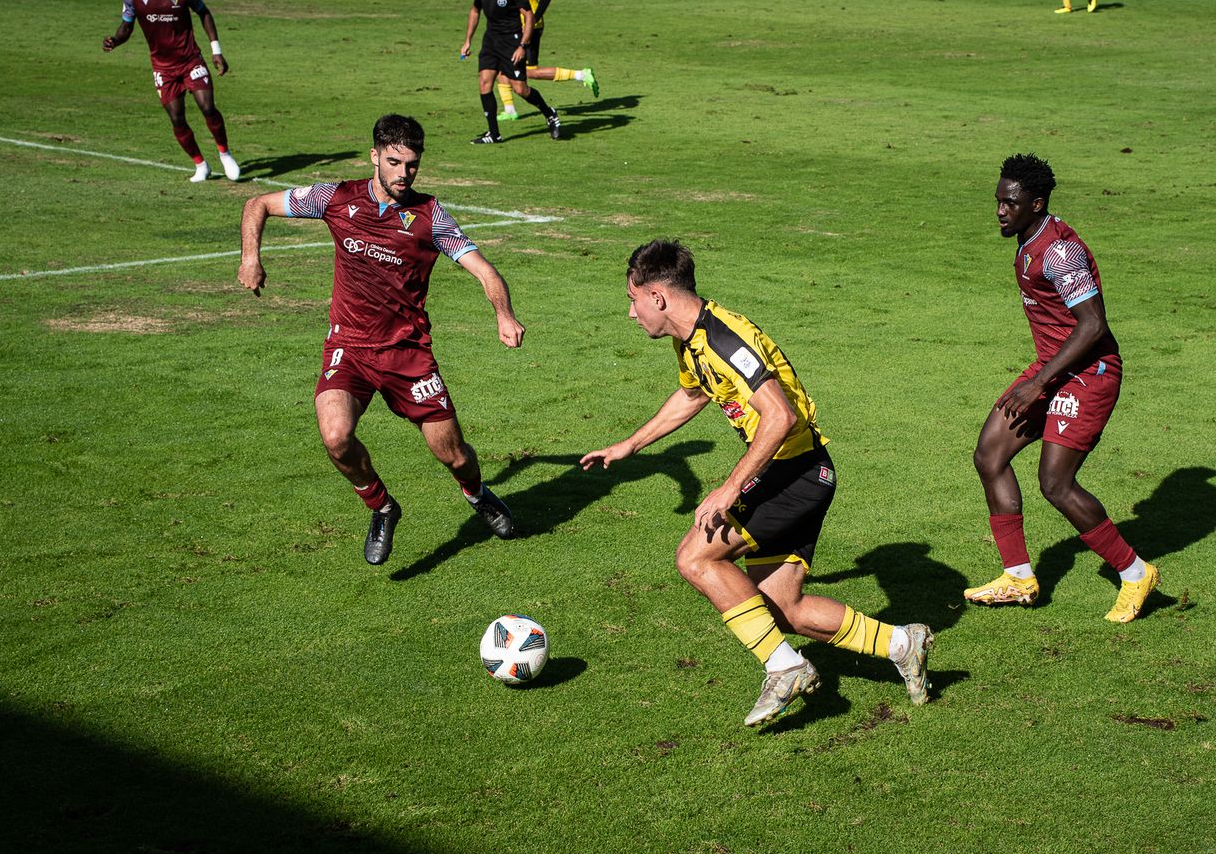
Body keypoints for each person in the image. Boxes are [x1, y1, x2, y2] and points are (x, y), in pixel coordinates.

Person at [581, 241, 934, 728]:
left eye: (633, 298)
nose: (630, 312)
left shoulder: (725, 337)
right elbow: (691, 395)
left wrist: (728, 489)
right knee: (783, 609)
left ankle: (784, 667)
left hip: (795, 473)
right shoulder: (692, 341)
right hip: (800, 470)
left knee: (695, 557)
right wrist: (630, 445)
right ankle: (902, 644)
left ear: (657, 296)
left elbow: (781, 415)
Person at [234, 114, 521, 566]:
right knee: (335, 437)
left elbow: (484, 270)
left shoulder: (430, 217)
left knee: (453, 454)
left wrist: (504, 315)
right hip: (348, 348)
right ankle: (383, 508)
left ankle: (476, 494)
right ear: (374, 157)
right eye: (394, 162)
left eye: (412, 165)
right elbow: (257, 204)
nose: (404, 174)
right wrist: (251, 258)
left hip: (409, 356)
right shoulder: (335, 198)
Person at [965, 154, 1158, 624]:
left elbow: (1093, 326)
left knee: (1055, 483)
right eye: (997, 201)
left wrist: (1038, 383)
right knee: (989, 455)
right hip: (1051, 368)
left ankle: (1135, 574)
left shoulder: (1059, 251)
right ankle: (1018, 578)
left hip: (1088, 374)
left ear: (1036, 203)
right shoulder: (1029, 239)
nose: (1000, 211)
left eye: (1010, 203)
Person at [101, 0, 240, 183]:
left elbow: (204, 13)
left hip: (190, 60)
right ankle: (200, 164)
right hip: (163, 68)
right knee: (177, 118)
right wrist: (115, 41)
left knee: (207, 107)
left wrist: (216, 50)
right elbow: (126, 27)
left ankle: (224, 154)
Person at [493, 0, 600, 123]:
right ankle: (509, 109)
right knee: (503, 67)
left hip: (528, 29)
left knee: (527, 71)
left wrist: (531, 23)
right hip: (518, 28)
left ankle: (580, 74)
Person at [461, 0, 563, 144]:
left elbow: (529, 15)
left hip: (512, 42)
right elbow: (475, 11)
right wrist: (467, 41)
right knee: (484, 83)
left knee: (520, 89)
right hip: (491, 41)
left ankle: (549, 113)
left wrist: (523, 46)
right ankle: (494, 134)